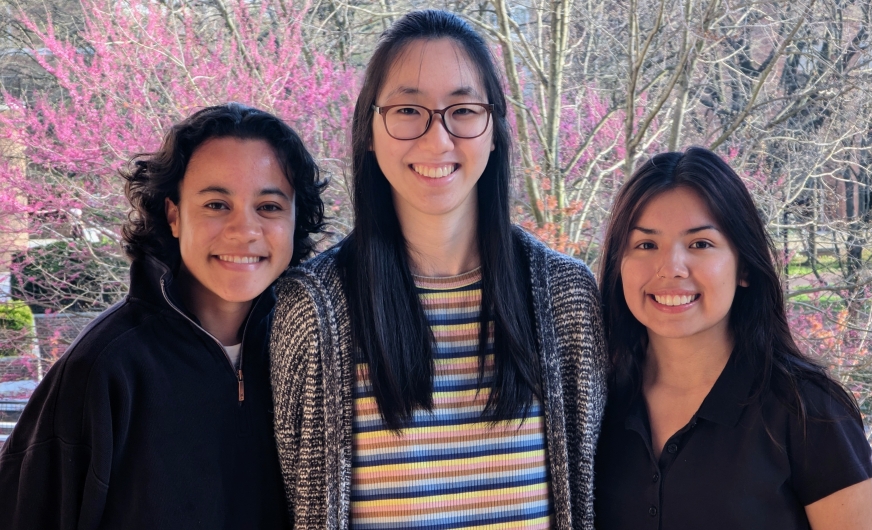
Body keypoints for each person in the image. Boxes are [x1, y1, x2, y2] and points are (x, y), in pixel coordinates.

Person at [269, 9, 607, 530]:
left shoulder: (565, 298)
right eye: (408, 109)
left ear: (494, 128)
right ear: (369, 130)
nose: (437, 139)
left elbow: (589, 496)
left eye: (463, 110)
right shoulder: (314, 310)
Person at [0, 103, 325, 529]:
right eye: (215, 204)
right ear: (174, 215)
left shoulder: (314, 356)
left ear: (295, 217)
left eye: (268, 207)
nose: (244, 230)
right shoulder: (103, 368)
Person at [594, 147, 872, 530]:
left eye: (700, 244)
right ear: (618, 265)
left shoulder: (810, 412)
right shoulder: (593, 404)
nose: (672, 268)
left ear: (743, 266)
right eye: (646, 245)